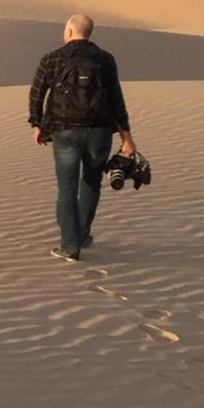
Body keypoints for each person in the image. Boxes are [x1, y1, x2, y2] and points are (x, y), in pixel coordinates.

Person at [28, 14, 136, 262]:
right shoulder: (105, 59)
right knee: (91, 183)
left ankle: (69, 245)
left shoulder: (52, 58)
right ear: (89, 32)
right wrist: (126, 136)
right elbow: (116, 99)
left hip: (63, 131)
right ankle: (83, 235)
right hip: (99, 131)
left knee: (67, 188)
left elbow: (37, 92)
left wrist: (37, 124)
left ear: (68, 31)